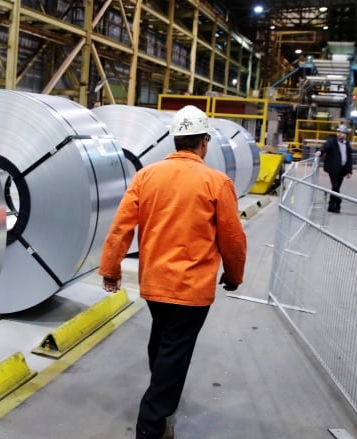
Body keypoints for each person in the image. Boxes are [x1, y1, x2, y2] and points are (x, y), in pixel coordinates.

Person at [99, 105, 247, 439]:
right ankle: (151, 425)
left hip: (154, 285)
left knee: (163, 344)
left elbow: (121, 227)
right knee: (173, 354)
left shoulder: (146, 176)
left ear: (175, 139)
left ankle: (162, 406)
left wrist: (111, 268)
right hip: (192, 291)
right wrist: (234, 275)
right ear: (204, 142)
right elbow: (233, 238)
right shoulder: (216, 182)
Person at [315, 124, 353, 213]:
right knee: (335, 186)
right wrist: (320, 151)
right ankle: (338, 202)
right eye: (339, 132)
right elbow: (325, 147)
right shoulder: (332, 141)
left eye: (343, 133)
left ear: (346, 135)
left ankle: (332, 206)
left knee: (336, 188)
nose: (340, 134)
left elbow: (349, 158)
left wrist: (349, 171)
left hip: (342, 170)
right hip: (333, 169)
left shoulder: (347, 145)